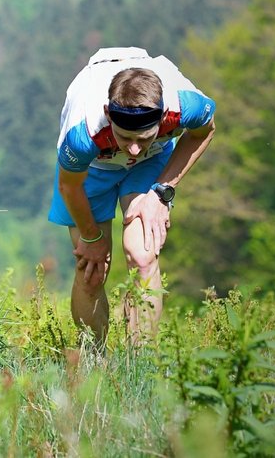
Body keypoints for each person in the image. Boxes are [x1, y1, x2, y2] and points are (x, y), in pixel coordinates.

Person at [48, 47, 216, 345]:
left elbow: (204, 131)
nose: (134, 148)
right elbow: (69, 186)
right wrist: (91, 238)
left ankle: (138, 365)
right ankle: (93, 362)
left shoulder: (185, 105)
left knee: (142, 256)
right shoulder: (83, 132)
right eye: (125, 137)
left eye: (144, 136)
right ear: (107, 115)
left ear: (164, 116)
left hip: (151, 164)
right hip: (93, 170)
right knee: (93, 270)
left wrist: (162, 192)